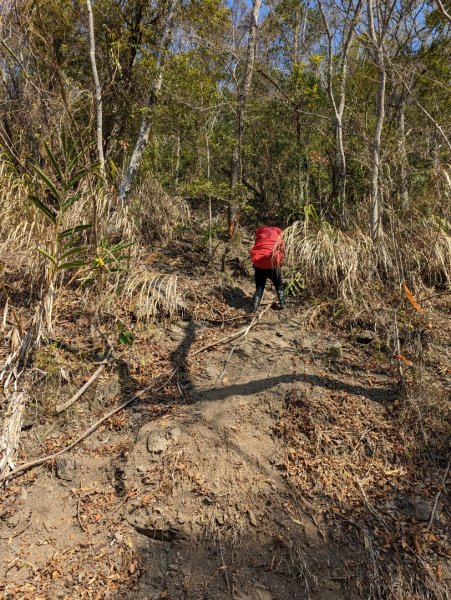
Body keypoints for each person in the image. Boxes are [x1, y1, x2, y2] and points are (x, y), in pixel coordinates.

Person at [250, 225, 285, 311]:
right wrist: (279, 264)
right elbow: (281, 251)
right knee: (279, 285)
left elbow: (257, 247)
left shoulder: (261, 233)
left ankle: (254, 307)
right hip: (273, 265)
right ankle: (283, 304)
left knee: (260, 287)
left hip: (260, 265)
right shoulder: (279, 235)